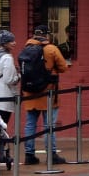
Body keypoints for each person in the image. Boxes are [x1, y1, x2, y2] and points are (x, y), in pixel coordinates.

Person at [21, 26, 70, 165]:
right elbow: (63, 67)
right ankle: (52, 154)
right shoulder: (51, 49)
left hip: (30, 92)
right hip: (48, 92)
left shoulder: (26, 48)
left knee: (30, 124)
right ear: (46, 35)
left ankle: (29, 154)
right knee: (49, 125)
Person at [0, 30, 21, 167]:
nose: (14, 43)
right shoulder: (7, 58)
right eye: (11, 41)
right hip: (5, 95)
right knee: (2, 126)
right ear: (5, 43)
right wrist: (18, 76)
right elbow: (9, 79)